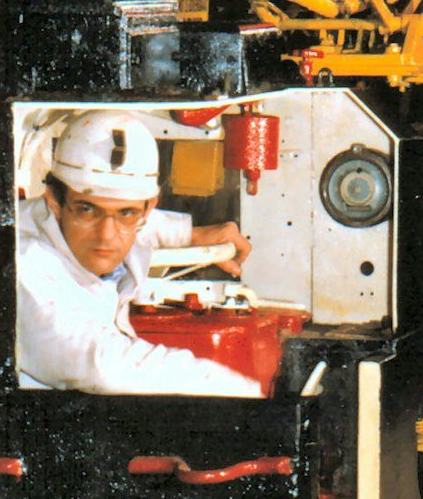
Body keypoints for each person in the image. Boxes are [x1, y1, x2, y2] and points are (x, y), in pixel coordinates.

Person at [17, 110, 263, 396]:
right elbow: (102, 367)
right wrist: (246, 393)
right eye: (87, 209)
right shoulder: (24, 263)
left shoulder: (67, 220)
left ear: (148, 208)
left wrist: (190, 234)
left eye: (126, 213)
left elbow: (131, 219)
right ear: (54, 201)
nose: (107, 235)